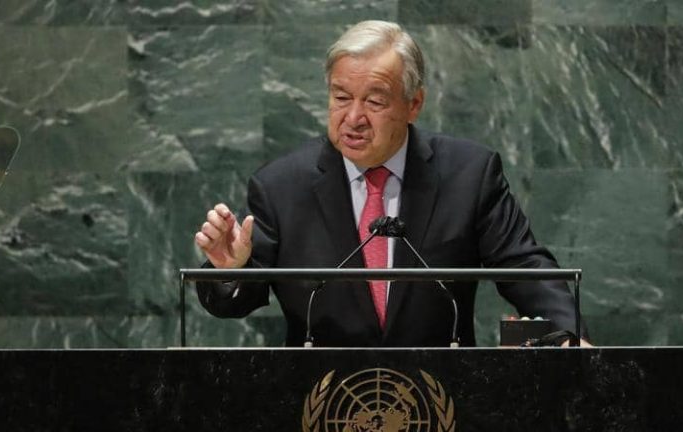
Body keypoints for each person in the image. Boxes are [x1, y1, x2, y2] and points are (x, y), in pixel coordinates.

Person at [195, 20, 588, 347]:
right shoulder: (281, 186)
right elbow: (235, 299)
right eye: (341, 97)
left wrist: (570, 337)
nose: (353, 118)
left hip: (442, 395)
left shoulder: (469, 174)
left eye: (375, 102)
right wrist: (230, 271)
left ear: (414, 104)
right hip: (323, 397)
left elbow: (525, 267)